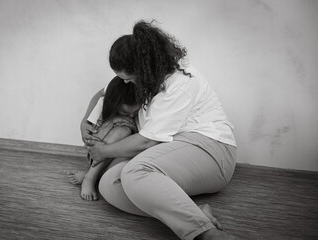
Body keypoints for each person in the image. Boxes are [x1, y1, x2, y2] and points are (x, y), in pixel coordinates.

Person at [84, 20, 238, 240]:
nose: (125, 82)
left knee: (135, 171)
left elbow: (147, 142)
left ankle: (207, 234)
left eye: (128, 77)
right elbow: (103, 94)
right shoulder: (141, 80)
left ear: (143, 67)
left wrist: (103, 151)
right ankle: (195, 215)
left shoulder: (182, 82)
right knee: (110, 186)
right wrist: (84, 122)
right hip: (168, 151)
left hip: (211, 150)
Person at [68, 76, 139, 201]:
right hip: (96, 155)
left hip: (118, 158)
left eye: (134, 113)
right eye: (126, 113)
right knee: (123, 131)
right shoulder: (102, 103)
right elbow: (91, 141)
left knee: (127, 134)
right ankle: (90, 177)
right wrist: (112, 122)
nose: (131, 116)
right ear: (114, 104)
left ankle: (89, 175)